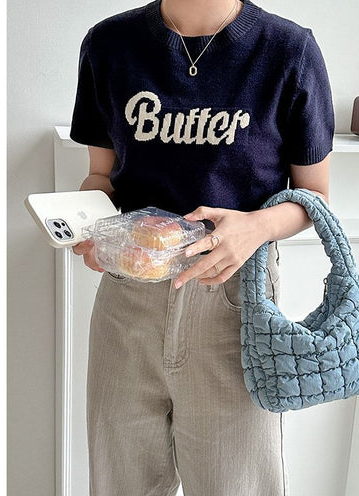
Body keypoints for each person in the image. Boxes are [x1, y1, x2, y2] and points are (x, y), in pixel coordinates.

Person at [70, 0, 334, 494]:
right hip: (128, 298)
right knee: (120, 482)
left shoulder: (288, 50)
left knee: (236, 484)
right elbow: (101, 176)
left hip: (234, 302)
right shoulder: (109, 44)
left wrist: (254, 227)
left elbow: (314, 195)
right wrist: (91, 226)